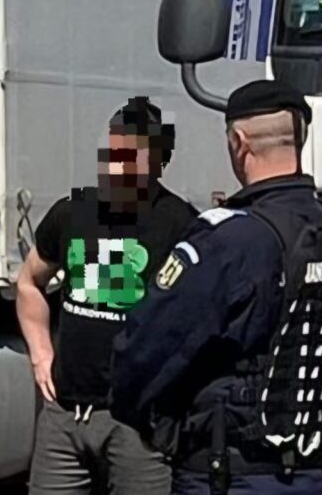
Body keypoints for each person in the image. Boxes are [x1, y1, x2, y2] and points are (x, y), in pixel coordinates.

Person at [111, 80, 322, 495]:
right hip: (313, 472)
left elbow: (144, 350)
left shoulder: (228, 241)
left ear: (239, 142)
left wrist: (153, 425)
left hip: (230, 475)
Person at [17, 97, 195, 495]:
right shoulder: (72, 212)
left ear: (157, 161)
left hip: (136, 425)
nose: (118, 167)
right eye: (113, 153)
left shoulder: (180, 223)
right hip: (63, 416)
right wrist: (41, 354)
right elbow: (29, 282)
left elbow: (197, 319)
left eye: (131, 156)